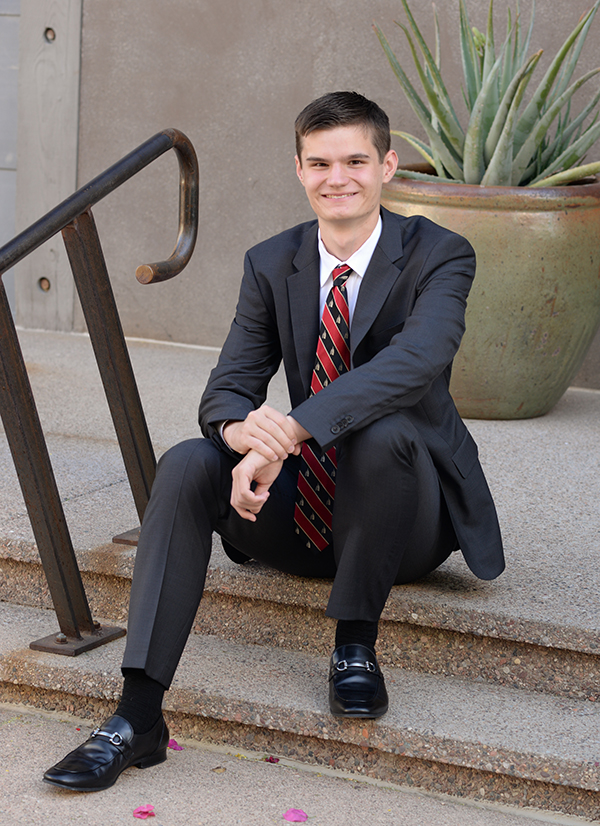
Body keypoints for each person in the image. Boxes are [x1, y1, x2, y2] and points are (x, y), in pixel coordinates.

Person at [43, 91, 504, 792]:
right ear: (298, 168)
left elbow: (416, 364)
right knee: (191, 461)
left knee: (384, 431)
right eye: (319, 162)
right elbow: (228, 384)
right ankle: (136, 716)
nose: (337, 177)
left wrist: (288, 427)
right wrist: (239, 428)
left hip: (407, 519)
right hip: (299, 517)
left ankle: (354, 645)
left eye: (355, 160)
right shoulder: (272, 261)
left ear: (387, 165)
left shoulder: (439, 254)